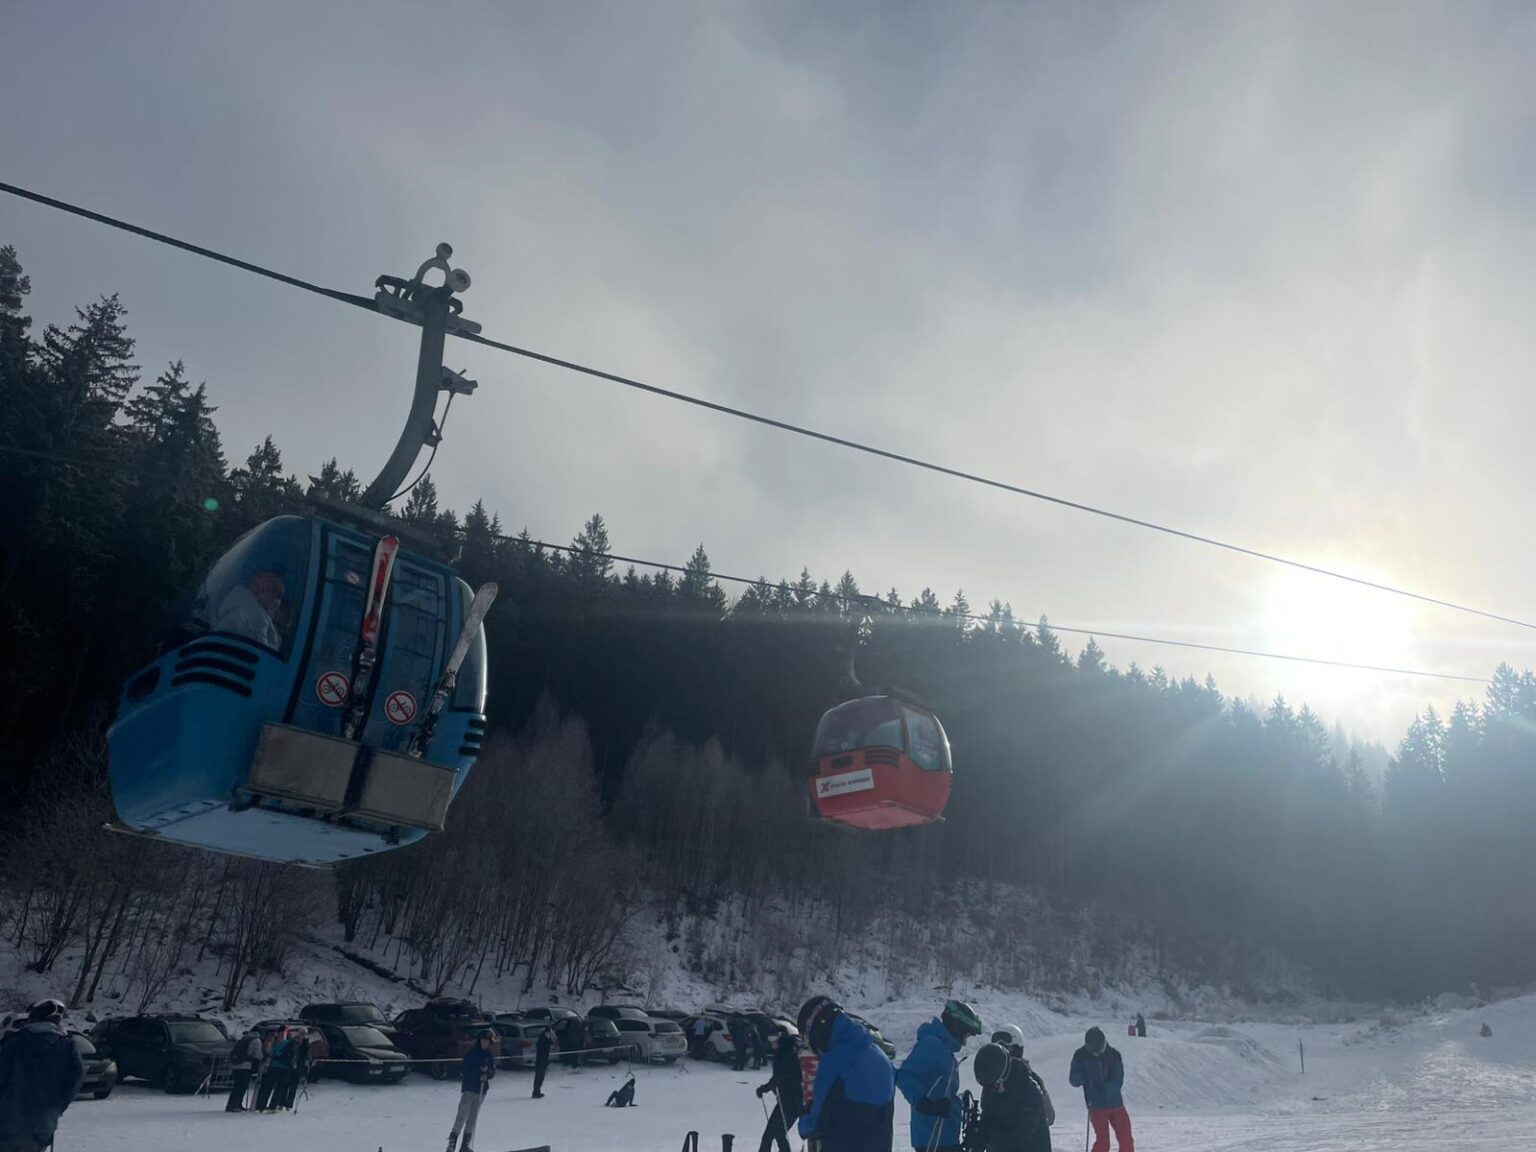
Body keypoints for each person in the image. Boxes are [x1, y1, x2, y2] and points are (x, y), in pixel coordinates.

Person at [796, 995, 895, 1152]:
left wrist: (804, 1117)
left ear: (817, 1030)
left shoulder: (835, 1059)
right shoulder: (881, 1057)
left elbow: (815, 1123)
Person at [896, 999, 984, 1152]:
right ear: (957, 1027)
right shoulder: (931, 1045)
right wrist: (925, 1104)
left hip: (944, 1136)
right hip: (933, 1138)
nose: (964, 1042)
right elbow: (904, 1075)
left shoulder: (943, 1049)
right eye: (966, 1035)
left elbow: (941, 1089)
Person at [0, 999, 85, 1152]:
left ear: (33, 1017)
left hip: (8, 1122)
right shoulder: (68, 1046)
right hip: (42, 1123)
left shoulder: (13, 1043)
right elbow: (75, 1079)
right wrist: (57, 1107)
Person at [974, 1042, 1050, 1152]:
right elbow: (988, 1118)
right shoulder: (992, 1086)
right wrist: (978, 1133)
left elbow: (1020, 1136)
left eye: (995, 1086)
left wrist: (988, 1138)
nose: (991, 1090)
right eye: (987, 1086)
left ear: (1005, 1076)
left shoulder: (1029, 1092)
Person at [1069, 1027, 1132, 1152]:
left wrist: (1105, 1091)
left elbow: (1118, 1079)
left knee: (1126, 1139)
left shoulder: (1114, 1055)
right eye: (1092, 1050)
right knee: (1103, 1141)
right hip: (1096, 1105)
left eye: (1098, 1049)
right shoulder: (1080, 1055)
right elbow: (1073, 1079)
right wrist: (1085, 1079)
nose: (1096, 1052)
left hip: (1116, 1104)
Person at [447, 1029, 496, 1152]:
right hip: (469, 1088)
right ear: (479, 1041)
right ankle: (452, 1143)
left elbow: (492, 1070)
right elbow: (464, 1070)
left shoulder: (489, 1055)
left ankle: (465, 1145)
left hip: (481, 1090)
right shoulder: (471, 1054)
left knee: (473, 1117)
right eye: (484, 1040)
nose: (485, 1043)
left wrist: (487, 1074)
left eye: (488, 1041)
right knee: (462, 1115)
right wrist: (478, 1074)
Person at [756, 1030, 803, 1152]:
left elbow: (781, 1078)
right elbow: (778, 1078)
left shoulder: (785, 1056)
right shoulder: (785, 1053)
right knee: (774, 1133)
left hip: (791, 1102)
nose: (772, 1044)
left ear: (780, 1041)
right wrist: (765, 1088)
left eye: (774, 1041)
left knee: (775, 1133)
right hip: (786, 1100)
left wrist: (766, 1088)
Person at [214, 571, 285, 650]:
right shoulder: (255, 615)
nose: (277, 601)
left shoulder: (241, 607)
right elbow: (260, 650)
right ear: (260, 593)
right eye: (274, 595)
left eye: (279, 597)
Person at [256, 1027, 294, 1112]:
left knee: (268, 1087)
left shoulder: (279, 1044)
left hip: (274, 1067)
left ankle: (261, 1105)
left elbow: (271, 1053)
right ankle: (273, 1106)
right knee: (279, 1088)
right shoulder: (292, 1044)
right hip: (285, 1068)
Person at [227, 1027, 264, 1112]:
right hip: (245, 1065)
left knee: (236, 1086)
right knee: (242, 1086)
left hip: (235, 1064)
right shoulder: (256, 1040)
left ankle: (231, 1105)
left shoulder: (244, 1037)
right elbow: (257, 1054)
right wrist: (262, 1058)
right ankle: (236, 1105)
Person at [532, 1025, 551, 1098]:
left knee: (540, 1077)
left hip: (543, 1060)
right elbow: (543, 1050)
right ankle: (536, 1092)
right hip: (541, 1061)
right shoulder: (543, 1040)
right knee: (539, 1077)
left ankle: (537, 1091)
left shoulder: (545, 1039)